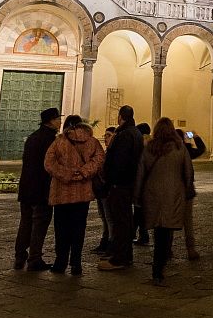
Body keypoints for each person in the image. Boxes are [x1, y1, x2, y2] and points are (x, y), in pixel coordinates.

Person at [135, 117, 193, 285]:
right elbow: (188, 172)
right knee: (166, 229)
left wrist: (137, 196)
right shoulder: (179, 147)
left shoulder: (149, 148)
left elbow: (140, 172)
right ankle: (160, 265)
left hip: (152, 194)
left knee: (158, 230)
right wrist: (186, 189)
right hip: (173, 194)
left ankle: (157, 268)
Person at [44, 114, 104, 275]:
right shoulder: (92, 142)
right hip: (82, 193)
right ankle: (76, 263)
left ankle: (60, 262)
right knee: (79, 229)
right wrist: (83, 173)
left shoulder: (59, 142)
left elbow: (48, 163)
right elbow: (99, 160)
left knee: (61, 229)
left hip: (61, 193)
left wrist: (66, 174)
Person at [14, 107, 60, 271]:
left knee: (25, 223)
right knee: (39, 224)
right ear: (52, 121)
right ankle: (34, 258)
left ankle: (19, 257)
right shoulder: (51, 140)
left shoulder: (32, 137)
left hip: (26, 188)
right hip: (42, 189)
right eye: (57, 119)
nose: (60, 122)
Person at [98, 106, 144, 272]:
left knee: (120, 222)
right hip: (128, 183)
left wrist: (111, 180)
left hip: (120, 185)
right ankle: (124, 255)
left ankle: (120, 258)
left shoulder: (125, 134)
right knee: (125, 221)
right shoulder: (135, 133)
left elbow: (119, 162)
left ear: (120, 117)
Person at [175, 128, 206, 261]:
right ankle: (191, 248)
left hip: (173, 191)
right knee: (188, 221)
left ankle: (167, 249)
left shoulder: (168, 150)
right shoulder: (186, 150)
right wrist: (195, 136)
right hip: (186, 190)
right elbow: (201, 149)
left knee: (168, 220)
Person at [93, 126, 117, 255]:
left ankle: (111, 244)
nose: (105, 138)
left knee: (109, 218)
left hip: (106, 190)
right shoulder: (106, 152)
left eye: (108, 135)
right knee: (104, 217)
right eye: (105, 135)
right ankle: (105, 241)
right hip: (100, 190)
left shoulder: (113, 153)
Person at [133, 122, 152, 244]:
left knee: (138, 213)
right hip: (151, 185)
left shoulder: (141, 146)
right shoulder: (154, 145)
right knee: (140, 213)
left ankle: (137, 234)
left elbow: (140, 168)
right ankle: (143, 235)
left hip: (142, 185)